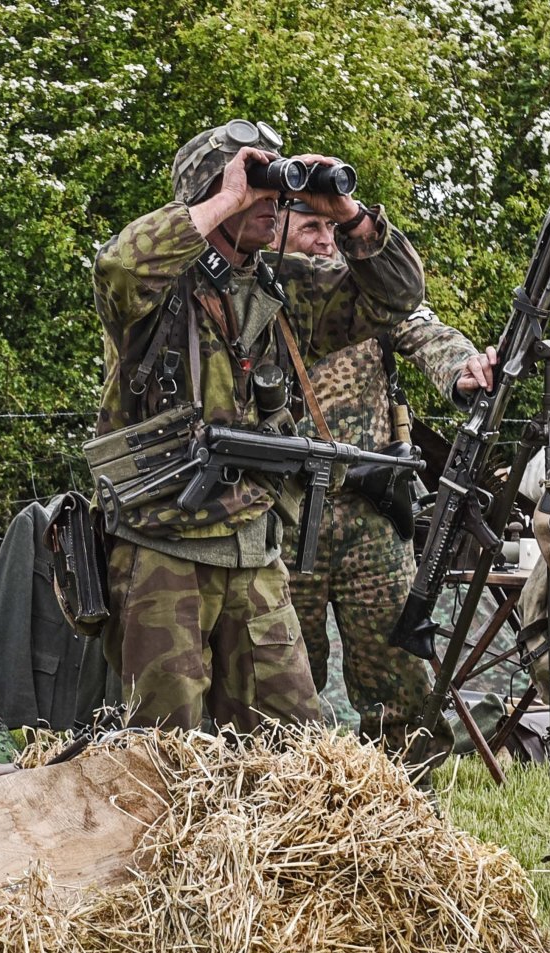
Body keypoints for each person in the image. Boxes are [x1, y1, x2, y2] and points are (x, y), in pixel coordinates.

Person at [91, 120, 427, 730]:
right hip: (162, 546)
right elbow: (119, 269)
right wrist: (226, 196)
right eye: (260, 188)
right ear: (210, 192)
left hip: (253, 544)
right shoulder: (157, 290)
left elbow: (398, 296)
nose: (272, 203)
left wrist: (346, 211)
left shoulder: (280, 288)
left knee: (291, 744)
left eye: (277, 191)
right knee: (168, 745)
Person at [273, 198, 499, 761]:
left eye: (331, 227)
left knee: (397, 673)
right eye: (309, 228)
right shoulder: (262, 301)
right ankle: (287, 796)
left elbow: (429, 334)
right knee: (285, 673)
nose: (325, 240)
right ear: (274, 230)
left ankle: (407, 801)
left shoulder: (365, 295)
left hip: (372, 512)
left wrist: (464, 370)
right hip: (286, 512)